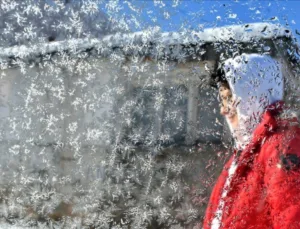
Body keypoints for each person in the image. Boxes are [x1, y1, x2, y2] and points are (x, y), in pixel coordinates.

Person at [202, 53, 300, 229]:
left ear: (252, 97)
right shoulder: (242, 155)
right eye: (222, 101)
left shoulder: (281, 146)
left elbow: (292, 218)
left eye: (229, 99)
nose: (223, 111)